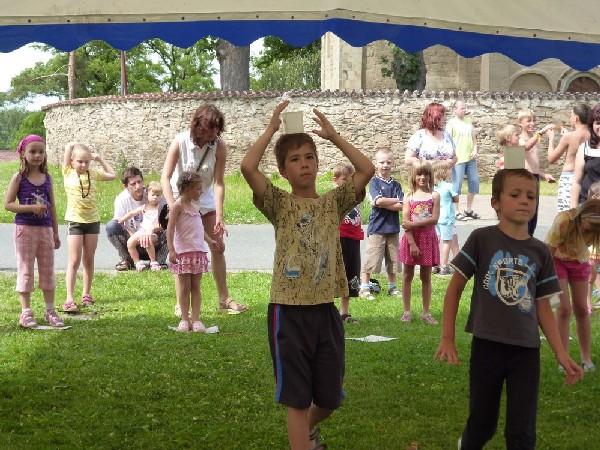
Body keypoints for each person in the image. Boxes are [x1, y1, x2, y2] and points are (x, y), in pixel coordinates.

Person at [240, 101, 374, 450]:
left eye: (310, 157)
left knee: (329, 399)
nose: (304, 163)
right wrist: (271, 129)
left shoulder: (333, 202)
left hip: (325, 311)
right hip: (288, 311)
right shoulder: (279, 203)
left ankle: (308, 432)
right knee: (297, 399)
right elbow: (247, 167)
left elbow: (367, 169)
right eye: (295, 159)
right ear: (283, 171)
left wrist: (334, 137)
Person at [434, 168, 583, 450]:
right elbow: (454, 289)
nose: (524, 200)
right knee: (482, 425)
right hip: (487, 347)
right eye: (515, 195)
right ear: (496, 203)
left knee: (522, 433)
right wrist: (447, 337)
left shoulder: (541, 251)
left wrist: (561, 353)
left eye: (531, 196)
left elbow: (543, 307)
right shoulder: (481, 239)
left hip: (526, 352)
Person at [161, 104, 247, 314]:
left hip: (205, 200)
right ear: (198, 126)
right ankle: (181, 304)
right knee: (182, 250)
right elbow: (165, 177)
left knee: (218, 247)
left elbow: (218, 183)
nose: (214, 132)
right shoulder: (180, 142)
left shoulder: (219, 146)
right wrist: (174, 207)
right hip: (182, 201)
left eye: (217, 128)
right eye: (210, 128)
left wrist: (219, 216)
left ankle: (224, 299)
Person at [4, 135, 64, 328]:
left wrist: (55, 233)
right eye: (33, 151)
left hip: (45, 230)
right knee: (26, 270)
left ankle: (50, 311)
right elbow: (8, 204)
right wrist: (31, 208)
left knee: (47, 270)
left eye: (41, 151)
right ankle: (26, 312)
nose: (37, 155)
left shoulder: (48, 178)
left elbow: (52, 207)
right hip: (25, 230)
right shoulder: (19, 178)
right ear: (23, 153)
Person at [545, 198, 600, 372]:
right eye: (588, 227)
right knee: (563, 309)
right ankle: (564, 359)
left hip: (580, 261)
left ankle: (586, 358)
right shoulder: (564, 221)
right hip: (557, 261)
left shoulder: (596, 228)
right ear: (581, 218)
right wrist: (546, 281)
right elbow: (548, 253)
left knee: (582, 309)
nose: (589, 232)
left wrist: (593, 267)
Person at [62, 142, 116, 312]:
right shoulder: (67, 171)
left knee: (89, 258)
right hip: (75, 221)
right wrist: (79, 145)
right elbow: (68, 147)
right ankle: (70, 297)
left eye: (86, 161)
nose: (83, 165)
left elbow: (112, 175)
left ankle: (86, 293)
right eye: (80, 161)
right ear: (72, 161)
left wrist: (99, 159)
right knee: (74, 260)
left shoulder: (93, 173)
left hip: (92, 221)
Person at [167, 172, 220, 332]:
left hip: (197, 253)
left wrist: (209, 240)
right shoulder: (177, 206)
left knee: (196, 287)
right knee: (185, 288)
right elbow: (170, 229)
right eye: (197, 189)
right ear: (185, 189)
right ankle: (185, 318)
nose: (201, 192)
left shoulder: (196, 207)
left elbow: (200, 228)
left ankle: (196, 319)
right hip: (183, 253)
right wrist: (171, 250)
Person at [398, 161, 440, 324]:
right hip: (412, 240)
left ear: (430, 176)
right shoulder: (408, 196)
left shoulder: (434, 195)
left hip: (428, 239)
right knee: (407, 275)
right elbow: (405, 221)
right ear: (413, 176)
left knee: (426, 277)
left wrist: (413, 224)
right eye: (419, 174)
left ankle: (426, 312)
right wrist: (412, 243)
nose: (422, 177)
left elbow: (434, 219)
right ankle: (407, 311)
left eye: (426, 174)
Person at [359, 147, 404, 300]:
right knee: (372, 258)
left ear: (393, 164)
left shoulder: (396, 185)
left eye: (388, 162)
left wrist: (384, 203)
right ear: (376, 163)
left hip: (393, 227)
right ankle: (364, 288)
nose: (385, 165)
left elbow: (402, 205)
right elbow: (378, 201)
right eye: (382, 162)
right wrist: (394, 201)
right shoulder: (374, 183)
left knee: (393, 259)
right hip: (377, 227)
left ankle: (392, 288)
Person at [106, 167, 168, 271]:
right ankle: (128, 259)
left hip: (154, 240)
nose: (138, 187)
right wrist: (135, 236)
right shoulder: (121, 199)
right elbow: (119, 222)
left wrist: (152, 230)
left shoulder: (154, 194)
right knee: (111, 226)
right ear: (126, 186)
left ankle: (159, 260)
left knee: (174, 225)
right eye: (133, 184)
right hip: (134, 239)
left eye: (139, 182)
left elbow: (167, 220)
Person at [517, 109, 556, 236]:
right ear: (520, 123)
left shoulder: (534, 139)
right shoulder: (519, 139)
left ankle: (529, 237)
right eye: (528, 121)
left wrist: (544, 175)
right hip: (525, 179)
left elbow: (533, 166)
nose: (532, 123)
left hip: (535, 178)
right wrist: (542, 131)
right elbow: (526, 147)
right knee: (526, 210)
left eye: (534, 120)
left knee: (533, 212)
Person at [333, 162, 363, 324]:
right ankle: (330, 311)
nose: (349, 183)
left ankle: (344, 313)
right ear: (336, 180)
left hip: (354, 240)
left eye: (351, 180)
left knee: (351, 274)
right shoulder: (335, 197)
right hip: (340, 240)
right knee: (337, 275)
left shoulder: (356, 197)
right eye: (345, 179)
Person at [547, 103, 590, 212]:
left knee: (566, 215)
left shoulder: (569, 136)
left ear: (576, 118)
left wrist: (551, 139)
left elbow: (551, 159)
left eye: (571, 115)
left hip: (569, 179)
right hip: (586, 178)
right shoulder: (592, 136)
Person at [117, 181, 164, 271]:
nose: (155, 197)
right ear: (147, 194)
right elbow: (132, 213)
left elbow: (163, 223)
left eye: (158, 195)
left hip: (153, 233)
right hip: (141, 231)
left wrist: (152, 230)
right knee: (130, 242)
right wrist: (122, 220)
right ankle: (137, 262)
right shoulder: (144, 207)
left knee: (147, 240)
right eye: (153, 195)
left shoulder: (160, 208)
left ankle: (153, 262)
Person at [446, 100, 480, 220]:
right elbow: (448, 142)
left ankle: (468, 209)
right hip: (458, 159)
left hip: (470, 158)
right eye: (461, 108)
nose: (464, 110)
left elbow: (474, 138)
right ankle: (456, 211)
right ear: (454, 110)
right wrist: (450, 157)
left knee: (474, 183)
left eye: (465, 108)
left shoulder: (468, 121)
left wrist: (475, 150)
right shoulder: (451, 124)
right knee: (457, 185)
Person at [405, 102, 457, 168]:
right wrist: (435, 163)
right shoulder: (419, 136)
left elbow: (455, 156)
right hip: (426, 174)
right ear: (435, 116)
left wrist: (452, 161)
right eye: (443, 115)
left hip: (446, 174)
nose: (445, 118)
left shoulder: (446, 135)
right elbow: (408, 160)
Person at [571, 103, 600, 208]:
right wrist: (573, 210)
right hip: (587, 206)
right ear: (592, 124)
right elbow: (577, 182)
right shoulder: (585, 148)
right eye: (598, 123)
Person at [433, 161, 459, 276]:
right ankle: (444, 265)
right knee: (447, 241)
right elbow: (456, 199)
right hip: (447, 218)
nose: (450, 171)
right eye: (448, 169)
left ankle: (434, 264)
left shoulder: (432, 187)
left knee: (436, 240)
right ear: (443, 172)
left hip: (436, 218)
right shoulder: (448, 186)